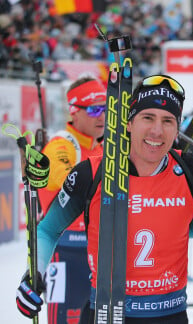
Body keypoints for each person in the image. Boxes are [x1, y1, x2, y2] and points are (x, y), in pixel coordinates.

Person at [16, 74, 193, 323]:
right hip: (106, 312)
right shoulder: (91, 172)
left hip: (170, 313)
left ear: (177, 128)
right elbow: (48, 229)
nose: (157, 131)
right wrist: (33, 274)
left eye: (168, 121)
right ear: (128, 123)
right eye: (148, 118)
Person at [33, 75, 106, 324]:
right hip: (63, 253)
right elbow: (68, 183)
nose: (102, 116)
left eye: (106, 109)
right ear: (74, 111)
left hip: (96, 255)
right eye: (94, 109)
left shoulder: (102, 146)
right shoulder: (62, 145)